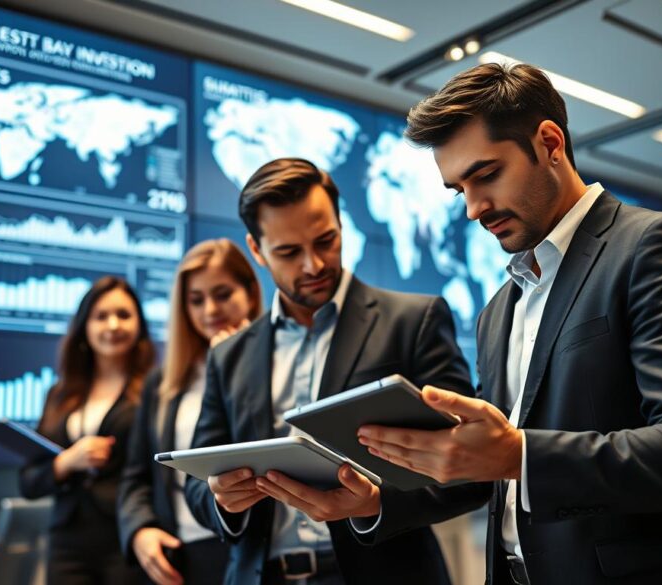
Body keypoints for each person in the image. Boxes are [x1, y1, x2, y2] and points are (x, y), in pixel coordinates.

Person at [356, 62, 662, 585]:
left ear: (549, 143)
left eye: (486, 175)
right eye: (459, 190)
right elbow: (488, 474)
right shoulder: (498, 309)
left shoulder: (655, 245)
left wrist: (519, 453)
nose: (474, 209)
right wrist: (372, 501)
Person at [183, 158, 490, 585]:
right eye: (289, 252)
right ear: (256, 250)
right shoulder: (229, 355)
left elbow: (472, 470)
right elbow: (198, 484)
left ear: (342, 226)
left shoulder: (412, 322)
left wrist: (374, 505)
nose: (313, 265)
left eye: (326, 240)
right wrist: (222, 500)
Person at [119, 239, 263, 585]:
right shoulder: (161, 383)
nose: (210, 310)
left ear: (250, 293)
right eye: (196, 300)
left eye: (223, 294)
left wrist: (237, 366)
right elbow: (137, 474)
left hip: (250, 550)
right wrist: (140, 530)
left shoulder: (274, 367)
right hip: (181, 554)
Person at [20, 276, 155, 584]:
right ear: (84, 327)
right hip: (68, 543)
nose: (113, 325)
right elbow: (28, 481)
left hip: (128, 539)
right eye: (100, 316)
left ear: (140, 326)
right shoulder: (60, 395)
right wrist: (66, 462)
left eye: (124, 315)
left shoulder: (154, 388)